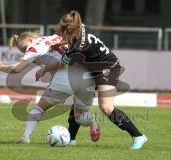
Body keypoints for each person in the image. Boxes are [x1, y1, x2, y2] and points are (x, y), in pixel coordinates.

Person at [52, 10, 148, 149]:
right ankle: (71, 139)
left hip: (107, 67)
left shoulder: (78, 46)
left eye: (64, 30)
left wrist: (45, 68)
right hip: (93, 67)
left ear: (72, 29)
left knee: (106, 106)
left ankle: (139, 136)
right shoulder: (82, 27)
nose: (62, 33)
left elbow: (62, 63)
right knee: (78, 101)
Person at [0, 31, 100, 144]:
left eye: (24, 48)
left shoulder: (34, 47)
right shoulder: (54, 37)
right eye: (22, 51)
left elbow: (16, 69)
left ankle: (26, 137)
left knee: (39, 108)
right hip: (86, 76)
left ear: (30, 39)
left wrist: (1, 67)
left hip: (65, 76)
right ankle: (92, 119)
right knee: (79, 116)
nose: (25, 51)